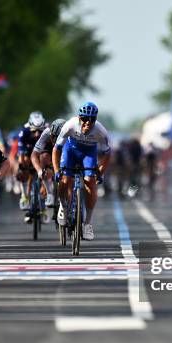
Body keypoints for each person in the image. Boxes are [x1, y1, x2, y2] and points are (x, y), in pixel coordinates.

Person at [53, 102, 110, 241]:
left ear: (95, 120)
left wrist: (100, 173)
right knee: (65, 180)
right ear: (79, 118)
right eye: (84, 119)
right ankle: (63, 205)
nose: (88, 123)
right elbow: (56, 149)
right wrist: (56, 170)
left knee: (90, 182)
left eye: (92, 119)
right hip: (70, 150)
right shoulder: (70, 125)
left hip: (89, 153)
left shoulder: (101, 131)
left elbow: (107, 153)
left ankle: (88, 224)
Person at [31, 118, 65, 222]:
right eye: (54, 136)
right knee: (44, 157)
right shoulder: (46, 132)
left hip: (64, 148)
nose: (56, 139)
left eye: (58, 137)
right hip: (48, 149)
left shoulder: (70, 133)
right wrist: (39, 170)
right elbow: (34, 155)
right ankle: (49, 192)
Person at [17, 111, 46, 214]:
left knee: (45, 158)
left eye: (40, 131)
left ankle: (46, 196)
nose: (37, 134)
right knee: (23, 162)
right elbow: (20, 152)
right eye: (34, 131)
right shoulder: (24, 131)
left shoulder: (47, 130)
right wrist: (22, 166)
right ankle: (24, 195)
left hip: (40, 152)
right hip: (28, 151)